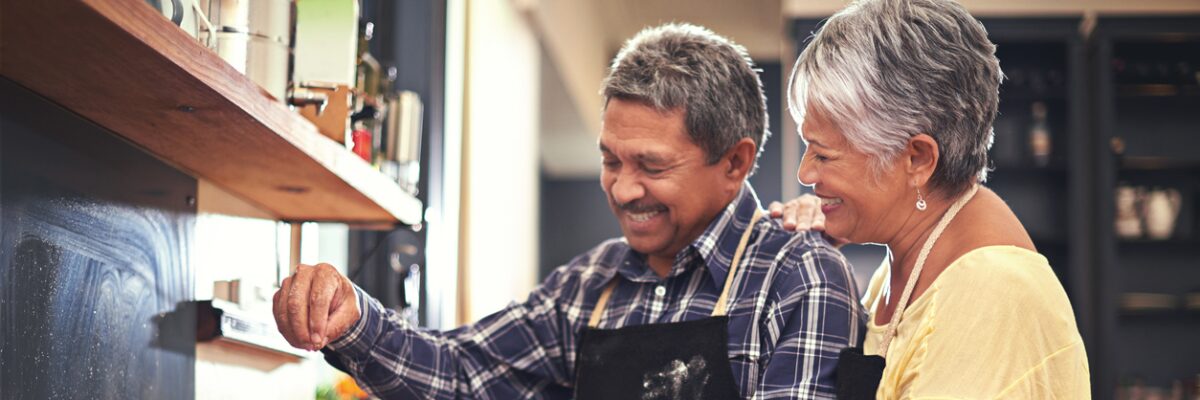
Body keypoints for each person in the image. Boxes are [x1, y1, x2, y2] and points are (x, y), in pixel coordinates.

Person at [273, 23, 865, 399]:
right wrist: (354, 321)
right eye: (610, 161)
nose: (624, 189)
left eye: (652, 167)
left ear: (734, 163)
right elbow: (459, 375)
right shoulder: (588, 286)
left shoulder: (797, 279)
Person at [774, 0, 1092, 398]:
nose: (806, 174)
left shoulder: (993, 293)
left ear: (917, 158)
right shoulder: (902, 269)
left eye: (823, 154)